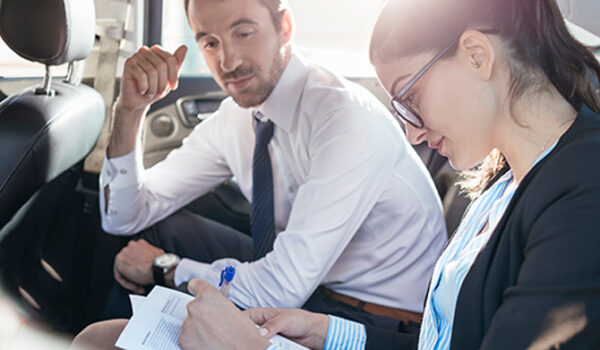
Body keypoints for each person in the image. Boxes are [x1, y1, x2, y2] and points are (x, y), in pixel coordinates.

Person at [76, 0, 600, 348]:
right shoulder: (504, 179)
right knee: (105, 335)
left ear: (477, 55)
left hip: (370, 303)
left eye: (412, 100)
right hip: (333, 305)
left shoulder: (582, 193)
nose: (413, 134)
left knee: (103, 341)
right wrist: (328, 333)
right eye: (208, 42)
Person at [99, 0, 446, 331]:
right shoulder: (237, 119)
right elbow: (125, 216)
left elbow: (279, 290)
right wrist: (128, 111)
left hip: (371, 316)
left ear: (285, 26)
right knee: (160, 229)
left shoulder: (343, 119)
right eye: (210, 42)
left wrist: (168, 269)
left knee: (161, 265)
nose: (228, 61)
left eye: (244, 33)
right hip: (310, 286)